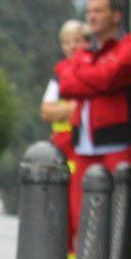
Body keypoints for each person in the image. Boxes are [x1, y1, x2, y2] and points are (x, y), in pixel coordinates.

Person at [55, 0, 131, 252]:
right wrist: (94, 77)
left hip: (118, 141)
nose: (91, 17)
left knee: (119, 217)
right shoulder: (85, 53)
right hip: (83, 144)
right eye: (89, 12)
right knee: (79, 214)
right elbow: (66, 82)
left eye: (98, 11)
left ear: (116, 16)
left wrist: (86, 76)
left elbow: (109, 76)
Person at [40, 19, 89, 167]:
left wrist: (63, 112)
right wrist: (73, 110)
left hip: (85, 145)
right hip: (62, 147)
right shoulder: (59, 74)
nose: (72, 47)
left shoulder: (92, 69)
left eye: (77, 41)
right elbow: (46, 111)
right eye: (66, 43)